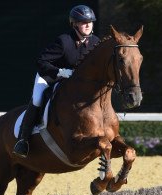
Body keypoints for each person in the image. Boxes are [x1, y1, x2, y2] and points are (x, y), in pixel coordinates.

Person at [13, 5, 100, 158]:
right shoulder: (64, 41)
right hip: (50, 76)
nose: (87, 25)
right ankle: (23, 140)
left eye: (90, 22)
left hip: (76, 83)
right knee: (38, 99)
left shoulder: (95, 42)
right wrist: (59, 71)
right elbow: (41, 61)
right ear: (75, 24)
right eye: (83, 22)